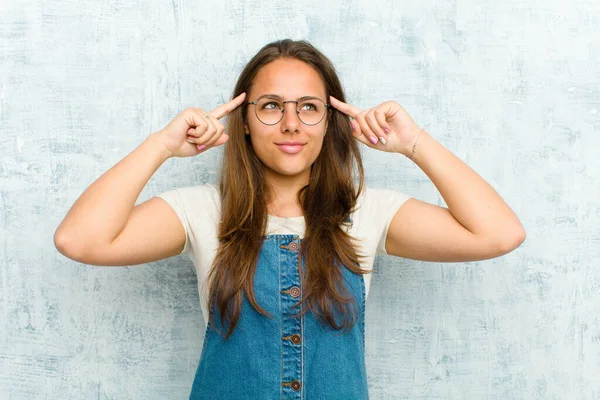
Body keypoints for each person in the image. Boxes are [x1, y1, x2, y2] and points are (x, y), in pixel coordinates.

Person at [54, 39, 526, 399]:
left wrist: (415, 142)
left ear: (330, 120)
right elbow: (80, 240)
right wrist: (160, 145)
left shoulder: (364, 213)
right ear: (243, 119)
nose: (291, 124)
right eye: (271, 106)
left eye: (308, 107)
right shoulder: (202, 211)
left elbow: (499, 233)